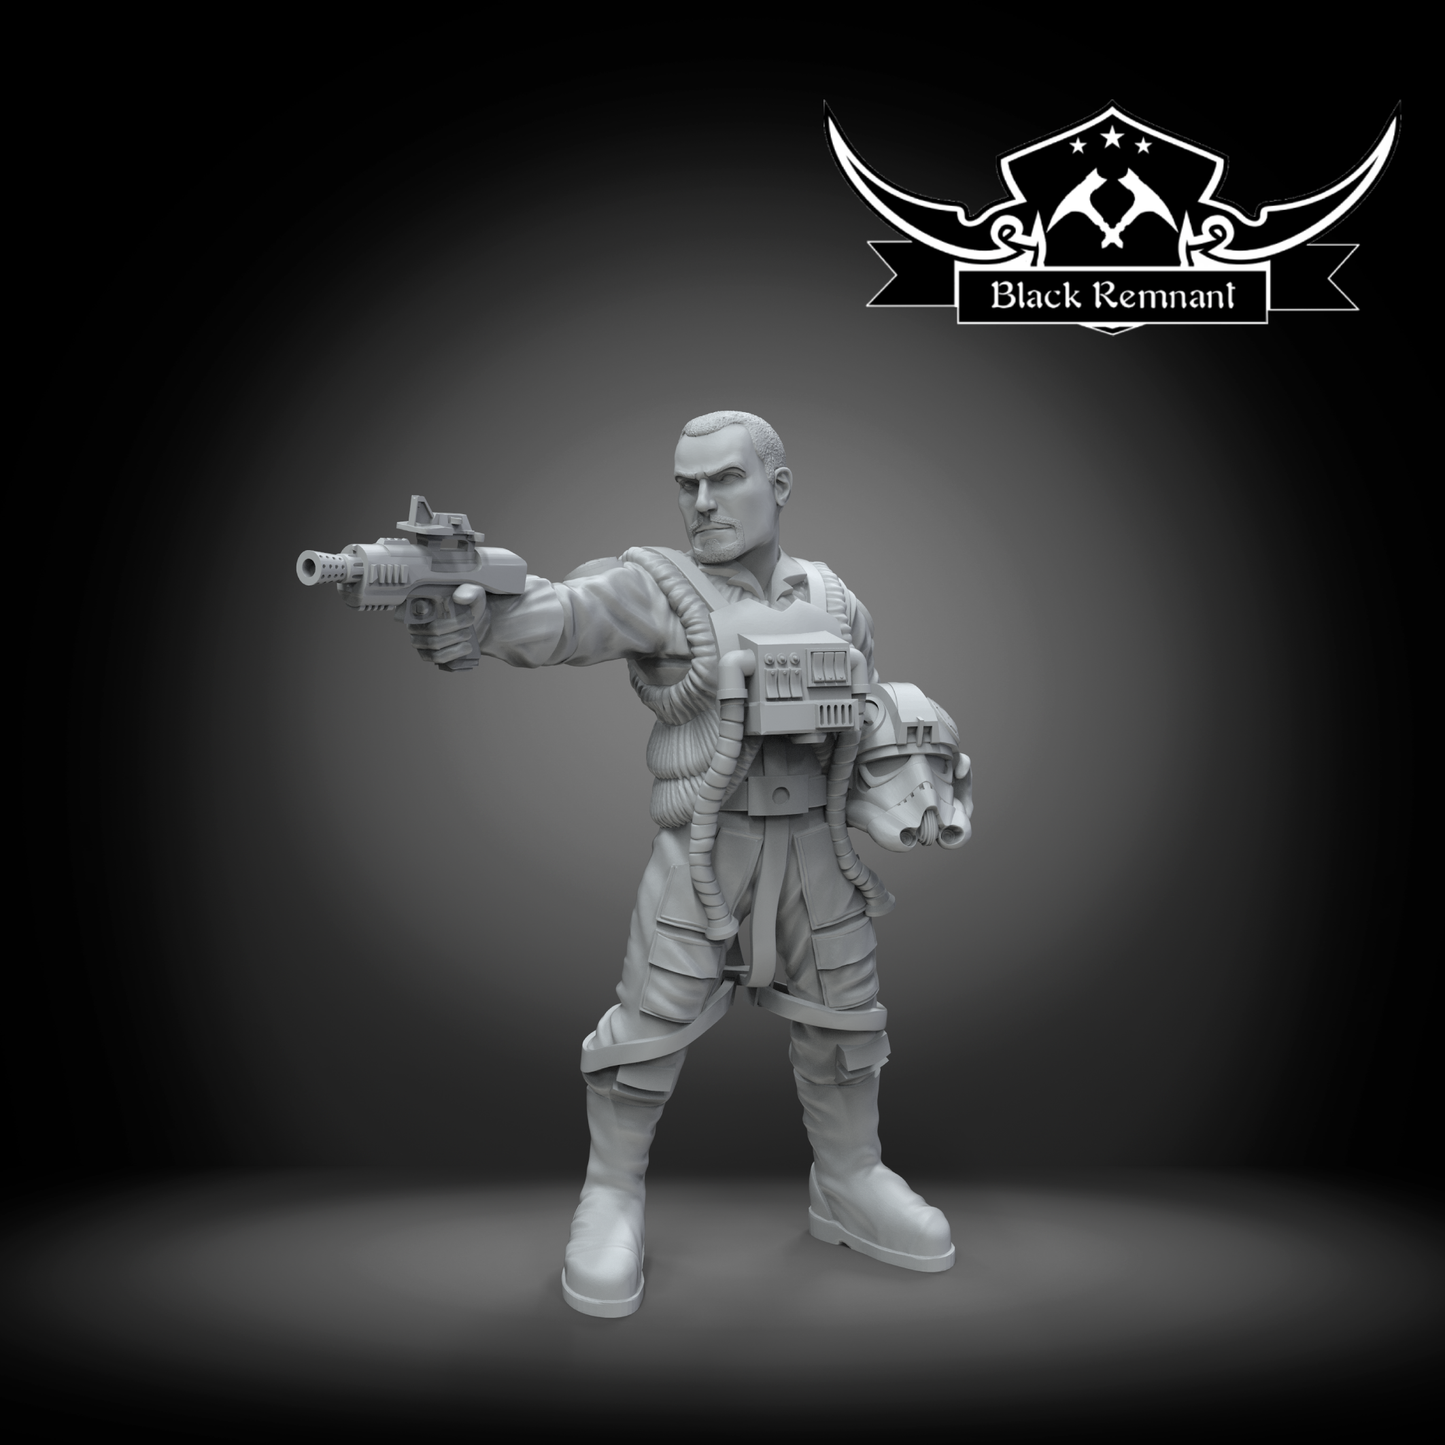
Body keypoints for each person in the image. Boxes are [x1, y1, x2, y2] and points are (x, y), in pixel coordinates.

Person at [407, 411, 971, 1317]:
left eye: (725, 478)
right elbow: (563, 614)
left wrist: (912, 776)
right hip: (707, 851)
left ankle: (849, 1177)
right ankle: (610, 1194)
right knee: (646, 1033)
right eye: (686, 482)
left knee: (845, 1024)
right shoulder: (658, 588)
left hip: (819, 851)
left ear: (777, 486)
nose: (701, 501)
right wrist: (474, 621)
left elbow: (863, 707)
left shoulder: (836, 599)